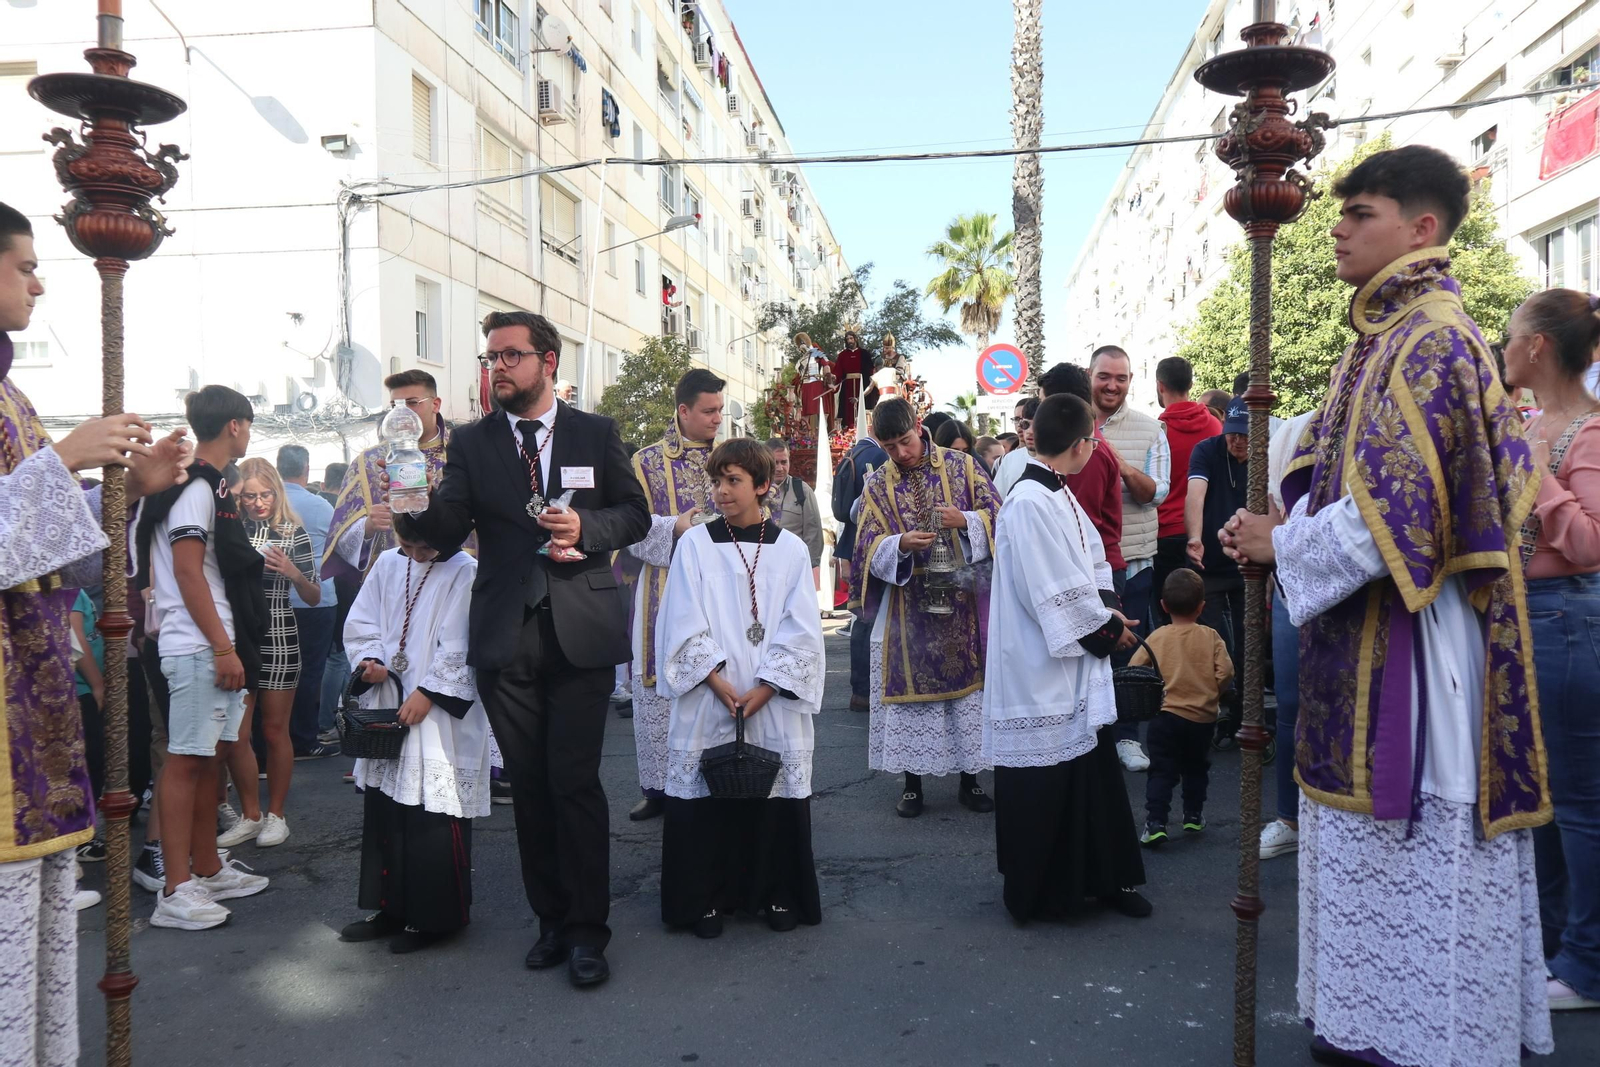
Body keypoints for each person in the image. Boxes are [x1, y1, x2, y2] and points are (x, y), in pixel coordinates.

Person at [1220, 145, 1553, 1065]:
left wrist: (1277, 541)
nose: (1336, 226)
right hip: (1363, 631)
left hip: (1417, 645)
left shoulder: (1433, 338)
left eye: (1359, 211)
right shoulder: (1384, 341)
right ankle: (1371, 1028)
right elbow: (1346, 486)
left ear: (1422, 229)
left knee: (1418, 865)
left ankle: (1428, 1038)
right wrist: (1279, 516)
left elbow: (1396, 522)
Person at [0, 202, 199, 1062]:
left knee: (45, 951)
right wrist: (68, 458)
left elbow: (67, 559)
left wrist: (132, 489)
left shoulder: (12, 396)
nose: (40, 281)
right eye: (24, 265)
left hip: (35, 710)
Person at [410, 309, 648, 988]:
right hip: (505, 638)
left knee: (574, 782)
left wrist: (586, 524)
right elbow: (450, 530)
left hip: (581, 631)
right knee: (533, 789)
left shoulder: (593, 432)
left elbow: (632, 513)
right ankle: (550, 918)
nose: (498, 368)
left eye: (511, 355)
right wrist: (410, 501)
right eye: (491, 358)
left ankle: (587, 930)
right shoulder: (475, 443)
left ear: (547, 360)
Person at [984, 393, 1149, 922]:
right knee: (1045, 782)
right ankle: (1041, 893)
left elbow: (1093, 560)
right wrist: (1105, 628)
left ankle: (1103, 880)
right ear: (1082, 445)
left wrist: (1109, 611)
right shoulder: (1030, 500)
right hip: (1038, 670)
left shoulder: (1057, 491)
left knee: (1090, 773)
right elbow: (1048, 587)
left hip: (1074, 664)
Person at [655, 438, 825, 937]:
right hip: (713, 693)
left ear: (763, 486)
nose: (721, 491)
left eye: (733, 481)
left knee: (774, 799)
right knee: (705, 801)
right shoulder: (695, 544)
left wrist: (769, 686)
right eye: (717, 480)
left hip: (769, 697)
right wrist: (714, 680)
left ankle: (775, 893)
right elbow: (680, 618)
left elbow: (803, 627)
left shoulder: (791, 550)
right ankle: (705, 899)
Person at [138, 386, 273, 931]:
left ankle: (208, 868)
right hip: (197, 645)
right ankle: (176, 887)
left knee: (209, 759)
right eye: (249, 425)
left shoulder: (200, 484)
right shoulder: (196, 486)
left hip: (209, 641)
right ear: (237, 426)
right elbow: (189, 572)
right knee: (188, 761)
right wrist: (221, 645)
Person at [1502, 286, 1600, 1012]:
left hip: (1567, 616)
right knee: (1541, 796)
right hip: (1528, 616)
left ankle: (1586, 963)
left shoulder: (1587, 434)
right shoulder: (1536, 423)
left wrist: (1534, 471)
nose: (1501, 348)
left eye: (1510, 336)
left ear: (1538, 347)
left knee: (1576, 799)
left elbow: (1590, 545)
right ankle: (1552, 944)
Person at [338, 515, 491, 953]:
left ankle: (437, 918)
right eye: (407, 546)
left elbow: (462, 643)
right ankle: (392, 908)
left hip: (436, 711)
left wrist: (429, 691)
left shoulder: (464, 570)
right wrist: (369, 661)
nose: (415, 556)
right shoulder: (389, 562)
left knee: (431, 816)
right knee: (388, 810)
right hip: (388, 698)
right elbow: (362, 622)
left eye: (424, 549)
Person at [852, 398, 1000, 817]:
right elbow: (865, 544)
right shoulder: (877, 484)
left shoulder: (963, 466)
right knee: (912, 701)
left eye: (906, 441)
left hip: (961, 597)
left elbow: (1000, 514)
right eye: (890, 446)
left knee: (966, 694)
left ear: (919, 428)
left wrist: (966, 521)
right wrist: (897, 544)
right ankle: (912, 785)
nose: (901, 453)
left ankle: (970, 782)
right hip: (908, 605)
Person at [624, 369, 726, 822]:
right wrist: (676, 528)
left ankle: (713, 778)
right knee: (659, 688)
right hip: (662, 590)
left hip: (722, 588)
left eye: (721, 410)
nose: (717, 419)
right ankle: (658, 788)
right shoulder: (645, 462)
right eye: (708, 411)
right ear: (683, 411)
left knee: (717, 679)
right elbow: (628, 526)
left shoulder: (732, 457)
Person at [218, 457, 320, 849]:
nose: (258, 503)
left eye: (266, 494)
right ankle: (250, 814)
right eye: (250, 496)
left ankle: (277, 815)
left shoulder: (293, 533)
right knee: (236, 734)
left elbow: (312, 596)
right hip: (240, 636)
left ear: (277, 492)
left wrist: (293, 572)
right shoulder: (229, 529)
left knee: (276, 730)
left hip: (279, 631)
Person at [1088, 345, 1172, 774]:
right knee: (1080, 653)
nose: (1112, 385)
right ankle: (1084, 740)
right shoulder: (1068, 422)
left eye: (1121, 378)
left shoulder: (1149, 429)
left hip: (1134, 560)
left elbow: (1155, 493)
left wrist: (1115, 461)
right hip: (1078, 563)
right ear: (1090, 375)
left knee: (1125, 653)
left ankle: (1125, 739)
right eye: (1105, 376)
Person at [325, 370, 462, 581]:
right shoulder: (369, 462)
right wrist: (368, 527)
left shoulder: (461, 453)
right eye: (395, 406)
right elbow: (339, 541)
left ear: (435, 404)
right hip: (392, 580)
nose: (403, 413)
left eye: (412, 403)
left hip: (452, 576)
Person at [1134, 569, 1233, 845]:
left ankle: (1156, 821)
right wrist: (1213, 692)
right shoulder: (1211, 636)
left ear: (1163, 606)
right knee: (1195, 767)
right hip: (1201, 718)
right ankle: (1192, 814)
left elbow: (1134, 667)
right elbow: (1226, 672)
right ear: (1202, 606)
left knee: (1161, 769)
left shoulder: (1157, 637)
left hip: (1164, 715)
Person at [1258, 409, 1316, 862]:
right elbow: (1275, 514)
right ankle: (1289, 817)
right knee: (1290, 706)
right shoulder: (1297, 431)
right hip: (1289, 586)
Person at [1183, 397, 1248, 726]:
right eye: (1232, 433)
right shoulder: (1207, 450)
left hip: (1250, 563)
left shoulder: (1265, 453)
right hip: (1210, 560)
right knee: (1212, 639)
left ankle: (1245, 715)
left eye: (1245, 435)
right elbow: (1195, 493)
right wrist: (1194, 537)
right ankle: (1220, 707)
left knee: (1249, 641)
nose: (1237, 441)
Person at [275, 445, 339, 761]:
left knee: (277, 671)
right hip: (317, 597)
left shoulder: (268, 503)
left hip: (276, 597)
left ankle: (277, 737)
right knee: (311, 670)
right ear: (307, 469)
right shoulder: (320, 506)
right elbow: (339, 548)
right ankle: (304, 737)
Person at [1150, 356, 1219, 637]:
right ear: (1191, 384)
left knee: (1168, 621)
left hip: (1165, 534)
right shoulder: (1215, 426)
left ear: (1160, 385)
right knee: (1209, 615)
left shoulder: (1157, 431)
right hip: (1205, 534)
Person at [1037, 363, 1124, 581]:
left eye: (1042, 405)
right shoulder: (1077, 448)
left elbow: (1080, 526)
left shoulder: (1086, 453)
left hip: (1092, 571)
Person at [832, 428, 888, 711]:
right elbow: (870, 508)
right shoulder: (878, 456)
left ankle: (860, 690)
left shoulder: (852, 453)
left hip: (853, 542)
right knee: (870, 617)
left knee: (862, 617)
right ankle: (867, 689)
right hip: (872, 544)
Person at [765, 438, 824, 588]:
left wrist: (810, 570)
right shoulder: (753, 491)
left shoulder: (802, 491)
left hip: (794, 570)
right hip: (763, 570)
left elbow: (813, 534)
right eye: (774, 463)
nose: (779, 468)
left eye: (783, 462)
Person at [992, 397, 1040, 497]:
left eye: (1036, 424)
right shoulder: (1008, 460)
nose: (1030, 431)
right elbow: (997, 502)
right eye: (1025, 424)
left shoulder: (1063, 460)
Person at [829, 330, 871, 429]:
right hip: (847, 385)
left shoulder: (864, 354)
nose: (849, 341)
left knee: (861, 405)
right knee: (847, 407)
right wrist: (834, 377)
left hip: (861, 384)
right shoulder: (842, 355)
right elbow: (838, 370)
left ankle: (862, 428)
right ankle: (848, 429)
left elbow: (869, 369)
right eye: (847, 339)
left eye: (851, 338)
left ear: (855, 339)